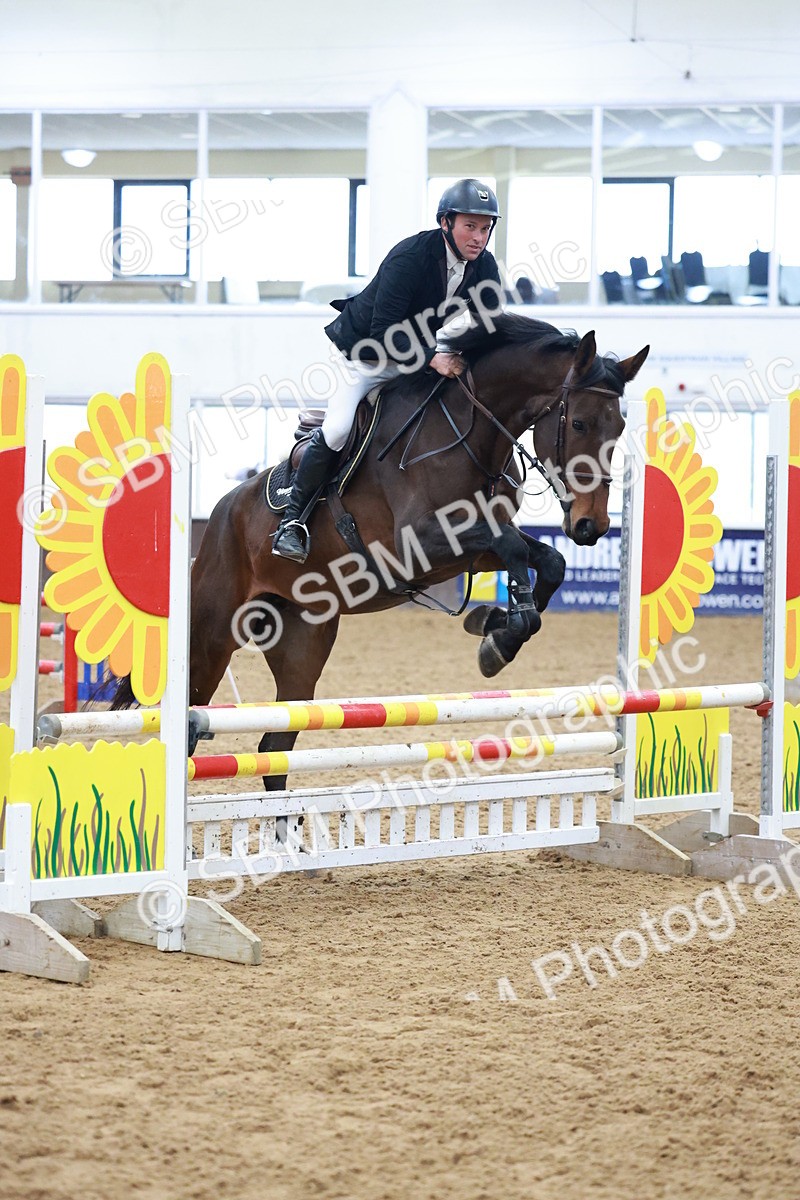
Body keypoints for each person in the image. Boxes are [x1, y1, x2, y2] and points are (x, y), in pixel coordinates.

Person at [271, 178, 503, 562]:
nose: (478, 237)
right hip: (365, 355)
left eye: (485, 228)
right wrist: (434, 357)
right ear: (445, 223)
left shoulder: (484, 267)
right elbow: (384, 331)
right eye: (469, 226)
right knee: (339, 428)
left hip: (416, 356)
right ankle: (292, 522)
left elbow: (490, 324)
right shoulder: (410, 256)